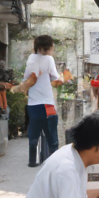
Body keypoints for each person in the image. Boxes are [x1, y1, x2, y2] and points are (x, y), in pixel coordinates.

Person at [24, 35, 63, 167]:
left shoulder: (31, 59)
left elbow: (26, 78)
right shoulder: (49, 59)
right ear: (47, 48)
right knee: (52, 134)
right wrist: (63, 78)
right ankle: (53, 163)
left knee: (33, 134)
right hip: (47, 103)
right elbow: (55, 78)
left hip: (33, 104)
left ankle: (32, 161)